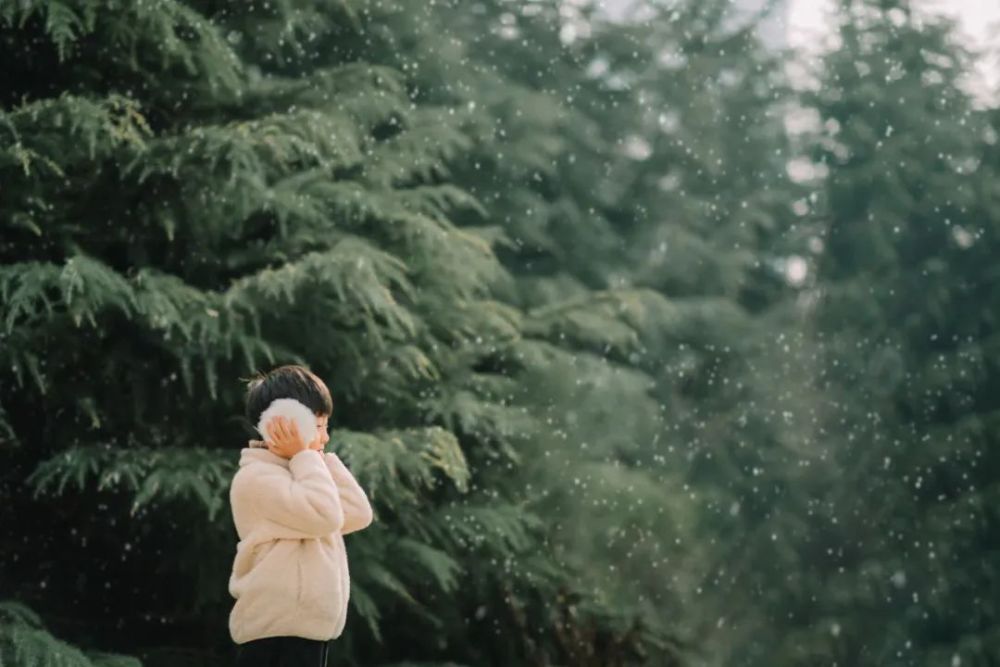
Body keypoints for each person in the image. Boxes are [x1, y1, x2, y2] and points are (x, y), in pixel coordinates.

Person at [229, 365, 374, 667]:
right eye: (318, 427)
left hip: (306, 629)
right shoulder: (257, 479)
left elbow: (357, 513)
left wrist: (316, 458)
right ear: (284, 423)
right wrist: (306, 456)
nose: (325, 437)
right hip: (276, 629)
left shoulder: (304, 471)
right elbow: (325, 516)